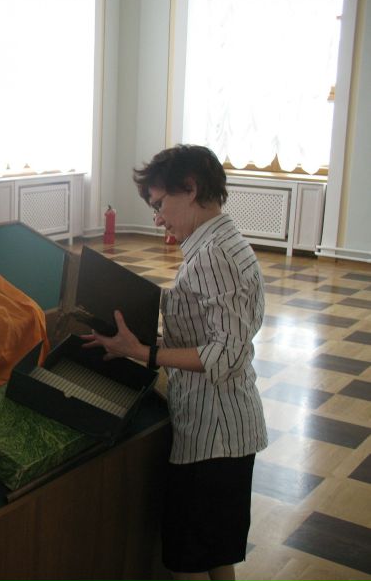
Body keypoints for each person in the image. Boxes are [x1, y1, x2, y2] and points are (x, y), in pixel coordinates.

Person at [81, 144, 267, 581]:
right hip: (223, 432)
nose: (157, 219)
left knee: (187, 563)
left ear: (191, 188)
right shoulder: (221, 243)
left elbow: (225, 354)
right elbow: (209, 338)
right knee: (214, 554)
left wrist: (144, 353)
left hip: (214, 436)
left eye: (160, 204)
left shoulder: (214, 255)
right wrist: (134, 343)